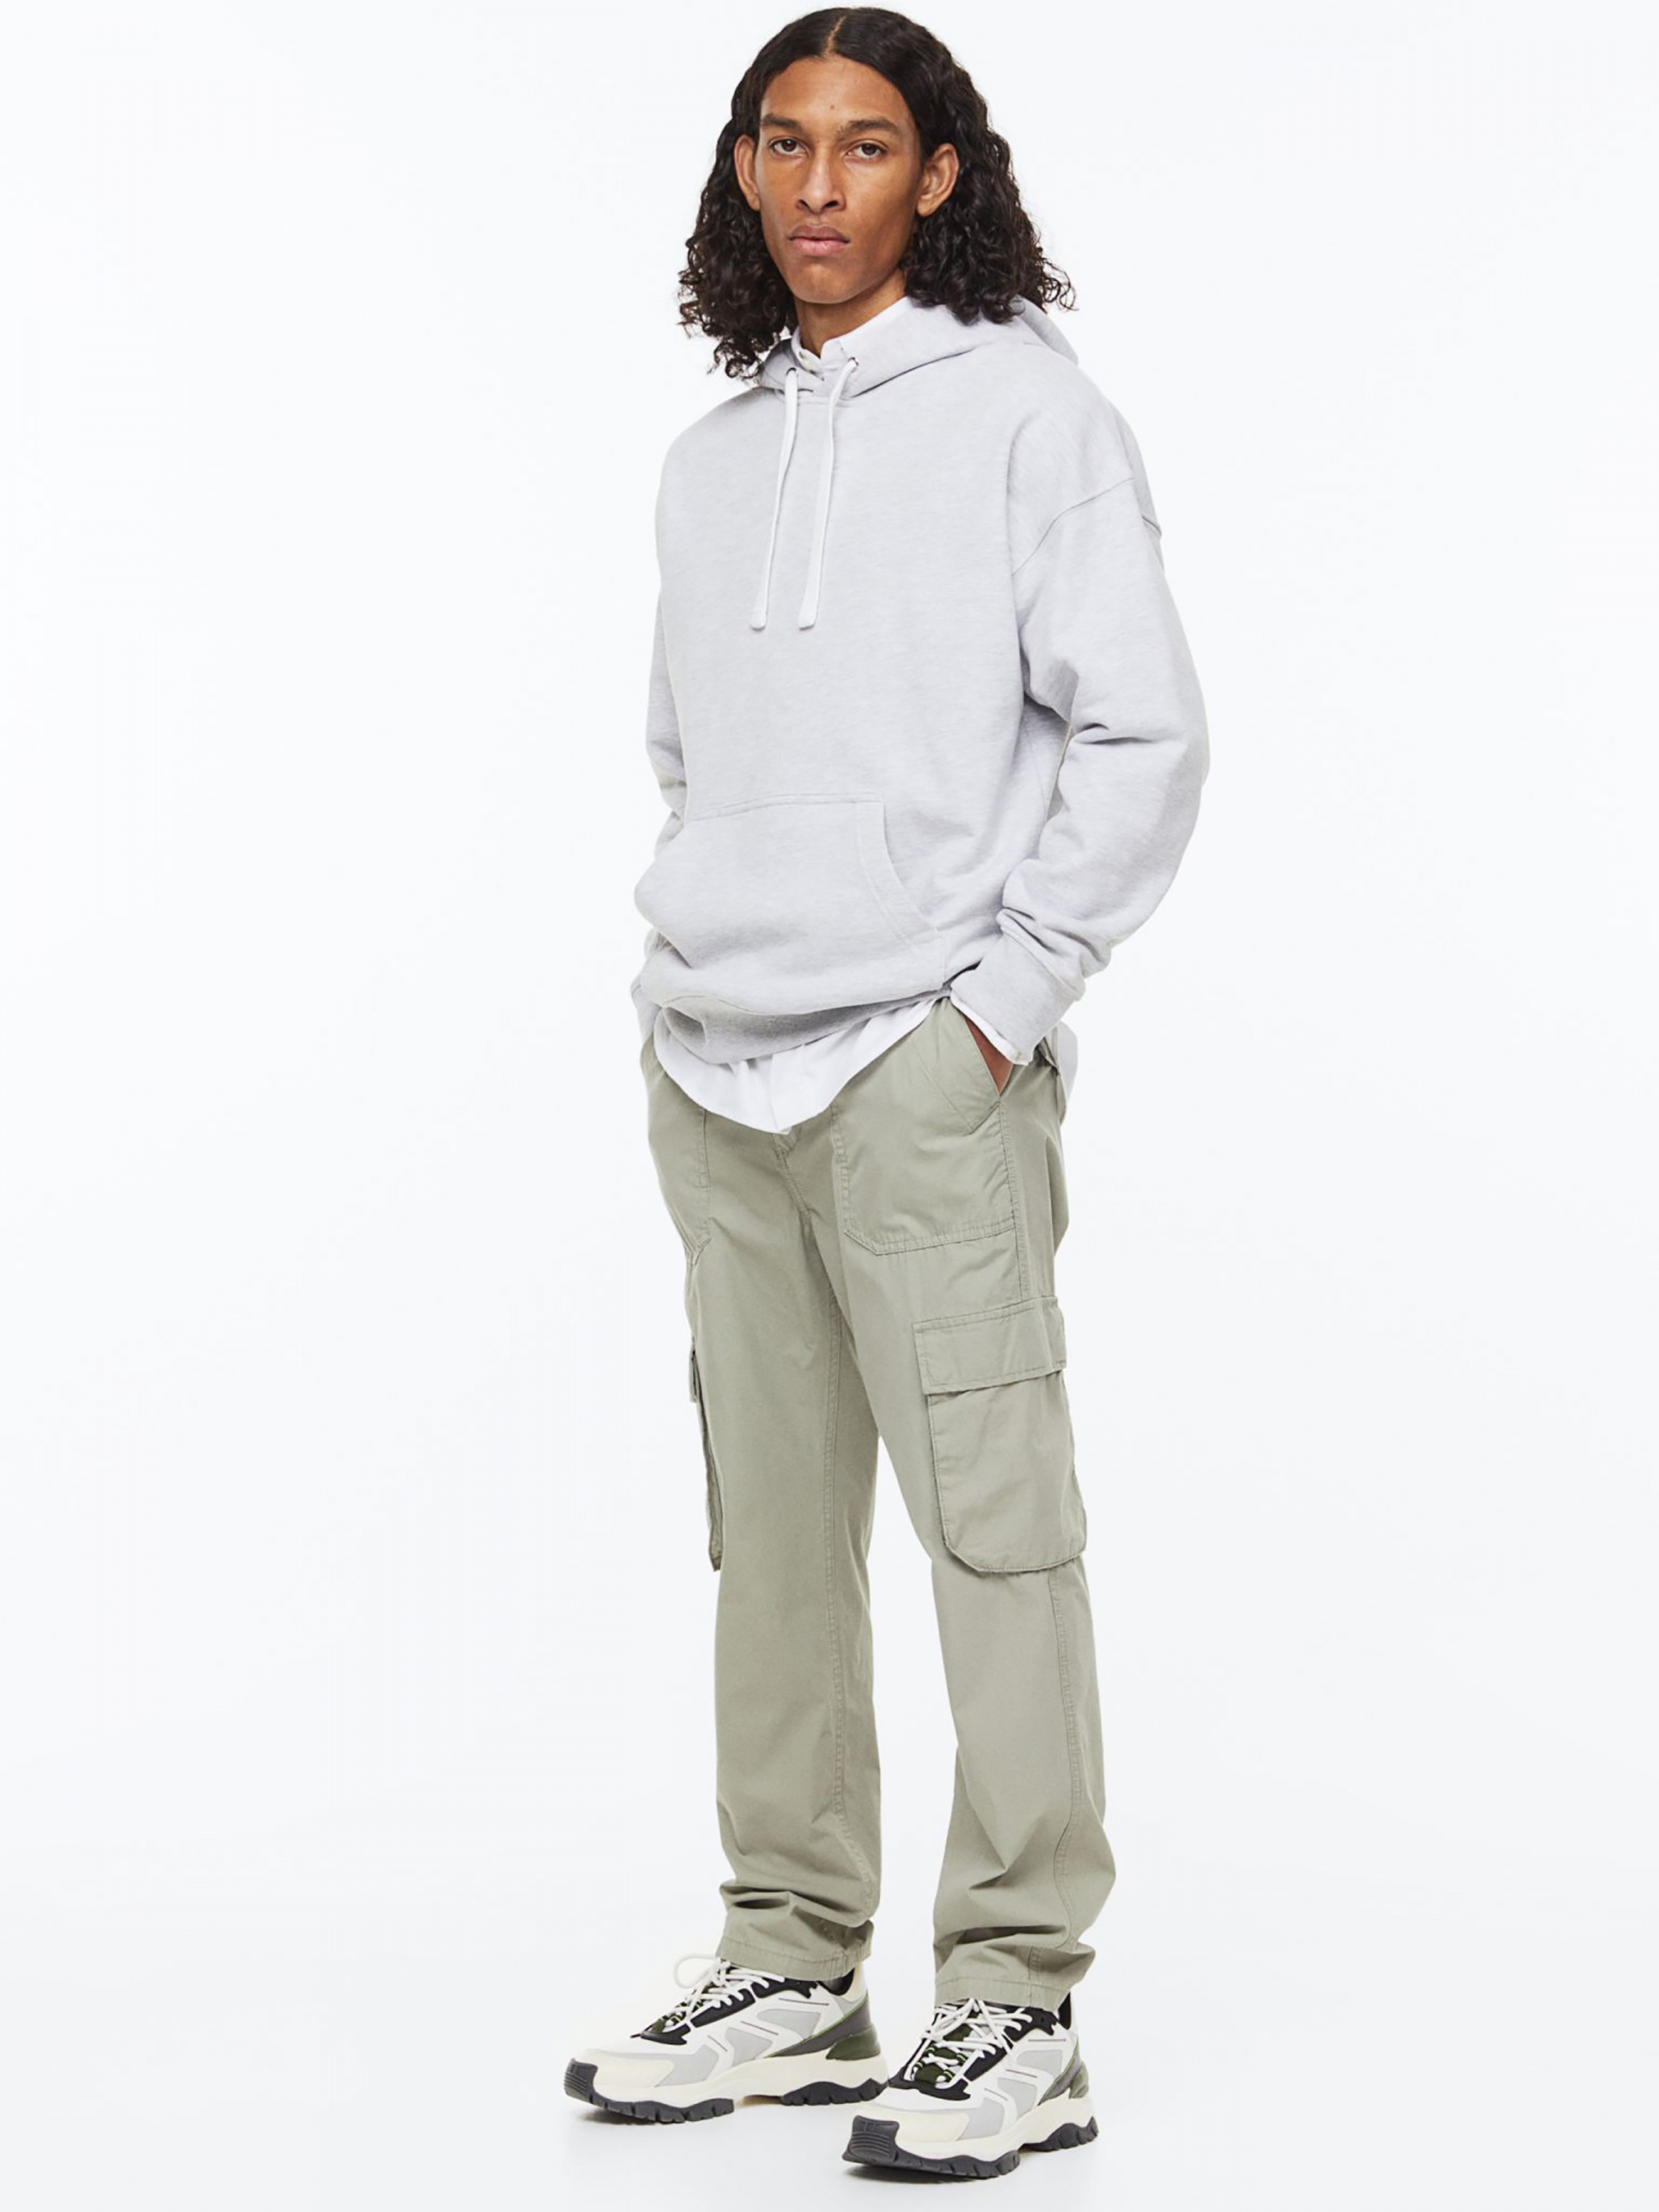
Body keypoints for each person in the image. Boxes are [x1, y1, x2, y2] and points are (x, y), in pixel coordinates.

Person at [565, 10, 1208, 2181]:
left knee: (994, 1534)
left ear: (940, 173)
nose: (818, 185)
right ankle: (792, 1957)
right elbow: (690, 757)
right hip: (716, 1068)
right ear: (743, 170)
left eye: (863, 145)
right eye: (783, 143)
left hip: (923, 1066)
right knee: (770, 1541)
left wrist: (1001, 1005)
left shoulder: (1033, 419)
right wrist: (692, 967)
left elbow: (1143, 735)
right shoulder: (708, 458)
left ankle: (1016, 1992)